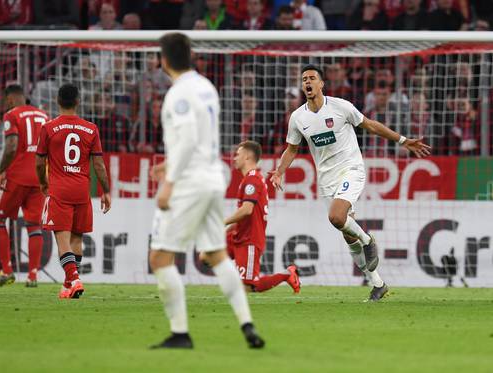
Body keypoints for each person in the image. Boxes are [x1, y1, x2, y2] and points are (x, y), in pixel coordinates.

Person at [269, 65, 431, 302]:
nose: (308, 82)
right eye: (304, 79)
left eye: (312, 78)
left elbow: (370, 125)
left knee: (336, 217)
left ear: (322, 84)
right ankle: (378, 283)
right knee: (347, 233)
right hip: (326, 179)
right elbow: (292, 148)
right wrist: (279, 172)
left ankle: (368, 240)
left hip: (350, 169)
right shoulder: (298, 117)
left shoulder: (340, 107)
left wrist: (403, 140)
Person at [149, 32, 264, 349]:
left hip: (191, 182)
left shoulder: (178, 93)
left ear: (163, 60)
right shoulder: (206, 87)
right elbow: (197, 137)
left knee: (159, 256)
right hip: (214, 178)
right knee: (216, 254)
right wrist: (170, 163)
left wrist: (169, 180)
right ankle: (247, 325)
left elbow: (187, 137)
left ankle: (180, 333)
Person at [35, 83, 111, 299]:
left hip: (60, 191)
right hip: (81, 191)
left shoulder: (48, 128)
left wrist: (42, 182)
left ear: (58, 101)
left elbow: (39, 163)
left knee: (63, 242)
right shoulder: (91, 129)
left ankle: (74, 279)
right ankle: (69, 286)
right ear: (78, 101)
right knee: (77, 241)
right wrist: (105, 190)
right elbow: (99, 165)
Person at [0, 85, 49, 287]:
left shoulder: (12, 114)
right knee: (34, 225)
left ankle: (6, 271)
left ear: (10, 100)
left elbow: (12, 146)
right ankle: (33, 275)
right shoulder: (44, 115)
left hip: (16, 176)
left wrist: (0, 170)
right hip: (39, 178)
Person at [223, 140, 300, 293]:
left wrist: (222, 222)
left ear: (246, 157)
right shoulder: (248, 179)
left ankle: (286, 274)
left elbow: (246, 210)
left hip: (249, 239)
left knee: (248, 287)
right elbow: (244, 215)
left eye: (237, 154)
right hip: (238, 235)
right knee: (206, 255)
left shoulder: (253, 180)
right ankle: (231, 279)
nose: (234, 158)